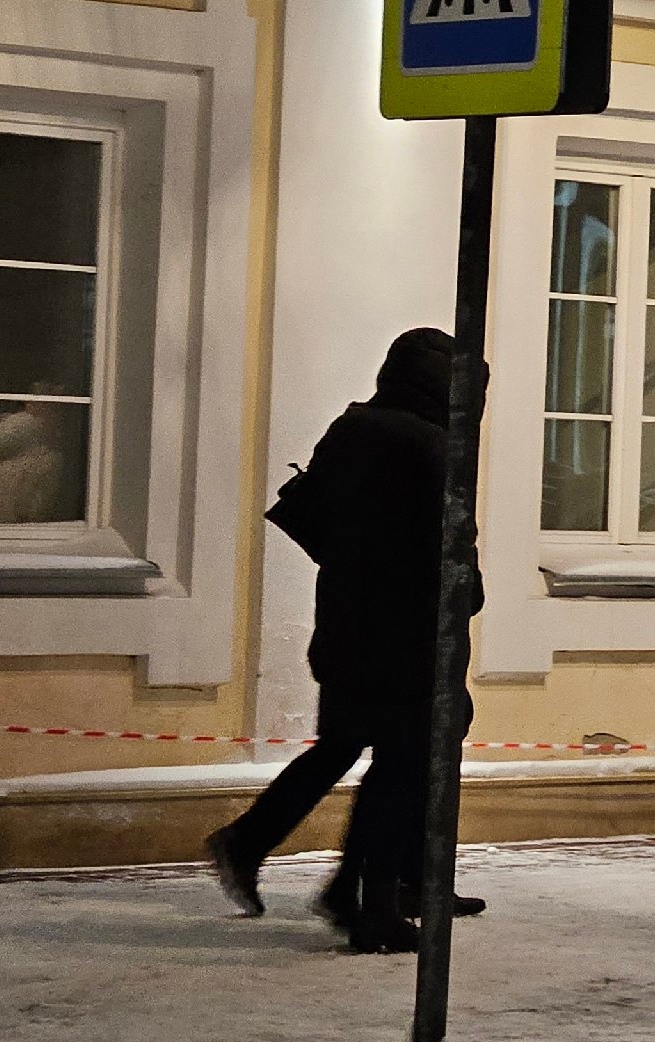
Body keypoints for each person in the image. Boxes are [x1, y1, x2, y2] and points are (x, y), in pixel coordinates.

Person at [204, 328, 483, 951]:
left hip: (349, 624)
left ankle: (277, 855)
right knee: (402, 764)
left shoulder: (352, 429)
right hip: (405, 635)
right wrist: (469, 593)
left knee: (345, 746)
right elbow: (445, 546)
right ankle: (369, 899)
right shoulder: (429, 446)